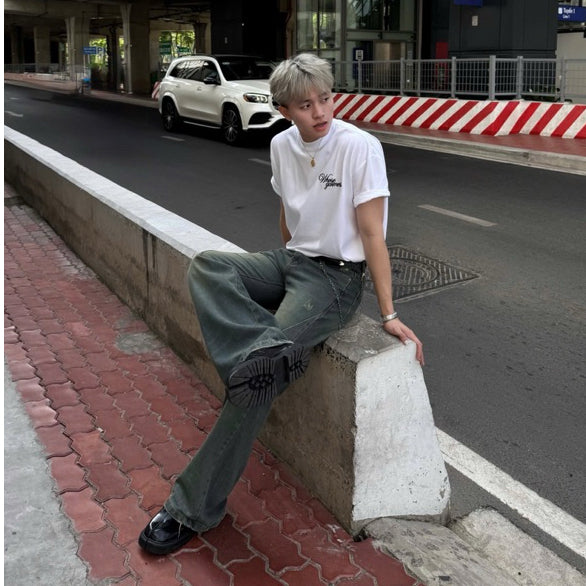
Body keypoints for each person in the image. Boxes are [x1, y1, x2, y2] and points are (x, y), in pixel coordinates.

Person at [138, 53, 424, 556]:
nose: (321, 111)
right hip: (292, 261)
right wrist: (287, 263)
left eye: (326, 99)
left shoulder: (360, 147)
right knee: (208, 266)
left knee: (253, 387)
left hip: (334, 280)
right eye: (306, 105)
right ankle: (262, 352)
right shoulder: (280, 144)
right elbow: (288, 211)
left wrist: (390, 315)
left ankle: (191, 508)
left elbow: (372, 234)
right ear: (284, 109)